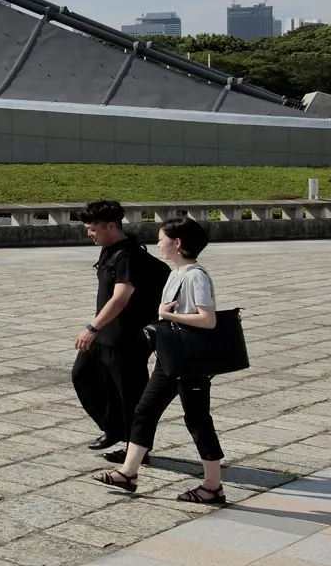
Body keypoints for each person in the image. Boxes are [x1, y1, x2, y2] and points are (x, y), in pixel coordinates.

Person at [93, 216, 227, 504]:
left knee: (198, 420)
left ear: (177, 243)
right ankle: (128, 473)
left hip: (190, 361)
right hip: (170, 358)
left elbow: (208, 319)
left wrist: (166, 315)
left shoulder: (195, 275)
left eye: (161, 238)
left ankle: (213, 486)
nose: (158, 243)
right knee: (144, 411)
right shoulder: (176, 273)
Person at [71, 200, 165, 460]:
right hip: (107, 333)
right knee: (83, 375)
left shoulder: (128, 256)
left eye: (93, 228)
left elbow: (120, 298)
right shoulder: (109, 250)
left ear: (111, 226)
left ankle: (137, 450)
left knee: (129, 394)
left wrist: (92, 327)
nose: (89, 233)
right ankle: (113, 428)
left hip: (127, 337)